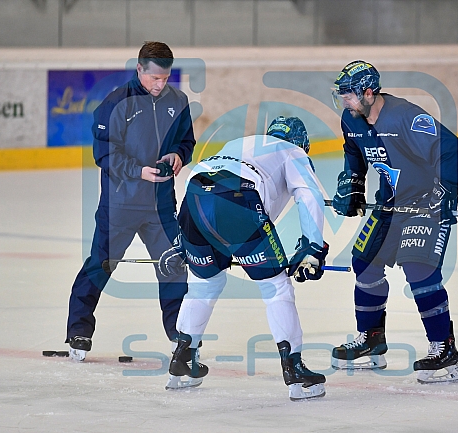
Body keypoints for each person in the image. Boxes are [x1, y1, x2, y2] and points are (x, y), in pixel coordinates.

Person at [158, 116, 329, 401]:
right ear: (301, 143)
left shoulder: (240, 142)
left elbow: (203, 183)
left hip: (195, 196)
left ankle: (181, 361)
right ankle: (294, 369)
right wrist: (312, 247)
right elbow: (309, 195)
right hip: (239, 198)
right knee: (275, 286)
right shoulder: (293, 151)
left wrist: (182, 243)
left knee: (204, 284)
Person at [330, 60, 458, 384]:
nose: (344, 103)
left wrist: (447, 193)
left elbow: (451, 149)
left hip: (426, 202)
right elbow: (354, 153)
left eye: (348, 96)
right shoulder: (352, 119)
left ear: (369, 92)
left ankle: (444, 347)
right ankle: (372, 339)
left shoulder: (406, 116)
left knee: (419, 268)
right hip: (390, 203)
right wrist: (352, 184)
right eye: (341, 97)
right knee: (364, 263)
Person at [65, 41, 195, 362]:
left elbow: (186, 141)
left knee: (173, 266)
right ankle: (79, 329)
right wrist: (139, 171)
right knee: (101, 264)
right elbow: (104, 154)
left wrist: (178, 156)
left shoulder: (178, 101)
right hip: (120, 206)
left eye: (165, 78)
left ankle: (179, 330)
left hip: (161, 206)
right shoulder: (114, 104)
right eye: (154, 78)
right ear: (139, 70)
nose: (160, 84)